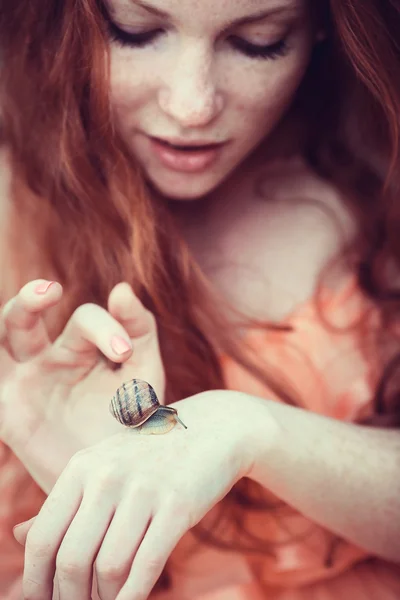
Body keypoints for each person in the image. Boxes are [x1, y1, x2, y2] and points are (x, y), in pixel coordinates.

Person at [0, 0, 399, 598]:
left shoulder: (379, 180)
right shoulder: (13, 215)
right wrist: (94, 517)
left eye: (258, 43)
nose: (192, 106)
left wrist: (250, 430)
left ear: (322, 25)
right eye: (134, 32)